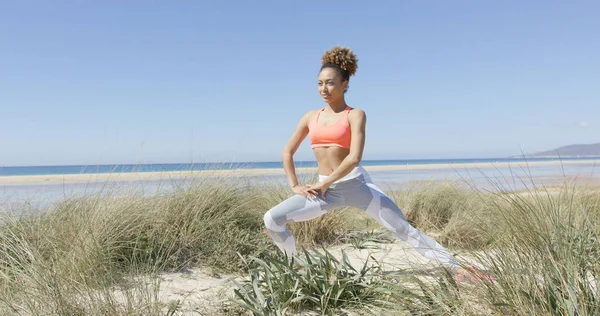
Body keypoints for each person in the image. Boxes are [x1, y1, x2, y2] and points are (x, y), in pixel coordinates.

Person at [263, 46, 486, 281]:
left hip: (357, 187)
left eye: (329, 83)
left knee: (403, 229)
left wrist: (326, 182)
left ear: (345, 83)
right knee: (272, 219)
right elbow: (287, 152)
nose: (323, 89)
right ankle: (299, 268)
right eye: (319, 83)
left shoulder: (355, 114)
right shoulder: (310, 117)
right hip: (324, 191)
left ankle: (458, 268)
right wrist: (295, 185)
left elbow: (354, 157)